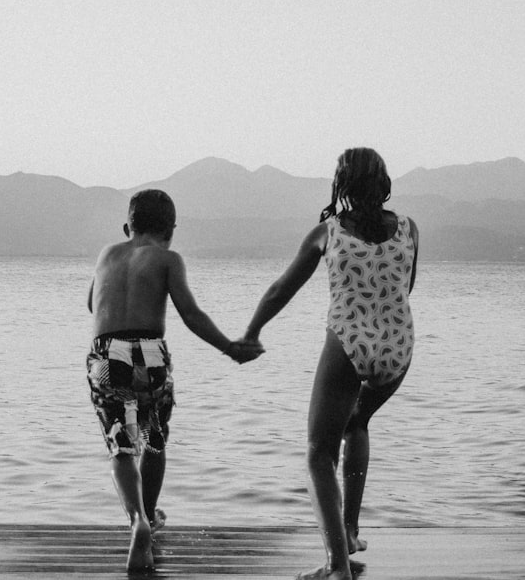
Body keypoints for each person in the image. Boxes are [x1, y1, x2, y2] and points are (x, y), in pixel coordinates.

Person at [238, 148, 419, 580]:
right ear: (383, 182)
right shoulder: (410, 228)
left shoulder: (328, 232)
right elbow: (406, 286)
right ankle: (351, 530)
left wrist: (251, 332)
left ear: (342, 185)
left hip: (348, 341)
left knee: (319, 454)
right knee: (357, 423)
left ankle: (337, 566)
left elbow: (283, 288)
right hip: (398, 346)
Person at [86, 189, 263, 572]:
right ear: (171, 230)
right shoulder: (168, 259)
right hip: (150, 353)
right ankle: (149, 514)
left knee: (120, 445)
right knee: (153, 438)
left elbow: (91, 304)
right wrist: (230, 348)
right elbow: (190, 314)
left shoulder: (106, 254)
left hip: (106, 351)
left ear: (127, 226)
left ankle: (137, 522)